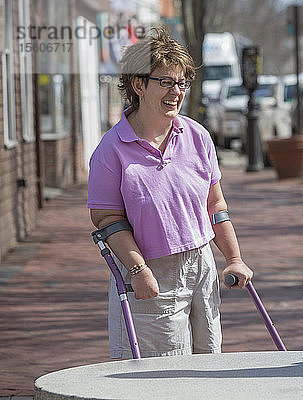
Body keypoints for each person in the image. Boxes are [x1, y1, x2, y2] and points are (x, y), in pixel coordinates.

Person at [87, 27, 253, 358]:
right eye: (166, 82)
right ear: (139, 85)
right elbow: (107, 219)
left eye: (182, 83)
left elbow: (215, 205)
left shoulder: (197, 136)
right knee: (161, 374)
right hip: (150, 270)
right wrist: (138, 269)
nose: (177, 91)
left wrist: (233, 258)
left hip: (201, 265)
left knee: (208, 364)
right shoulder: (111, 149)